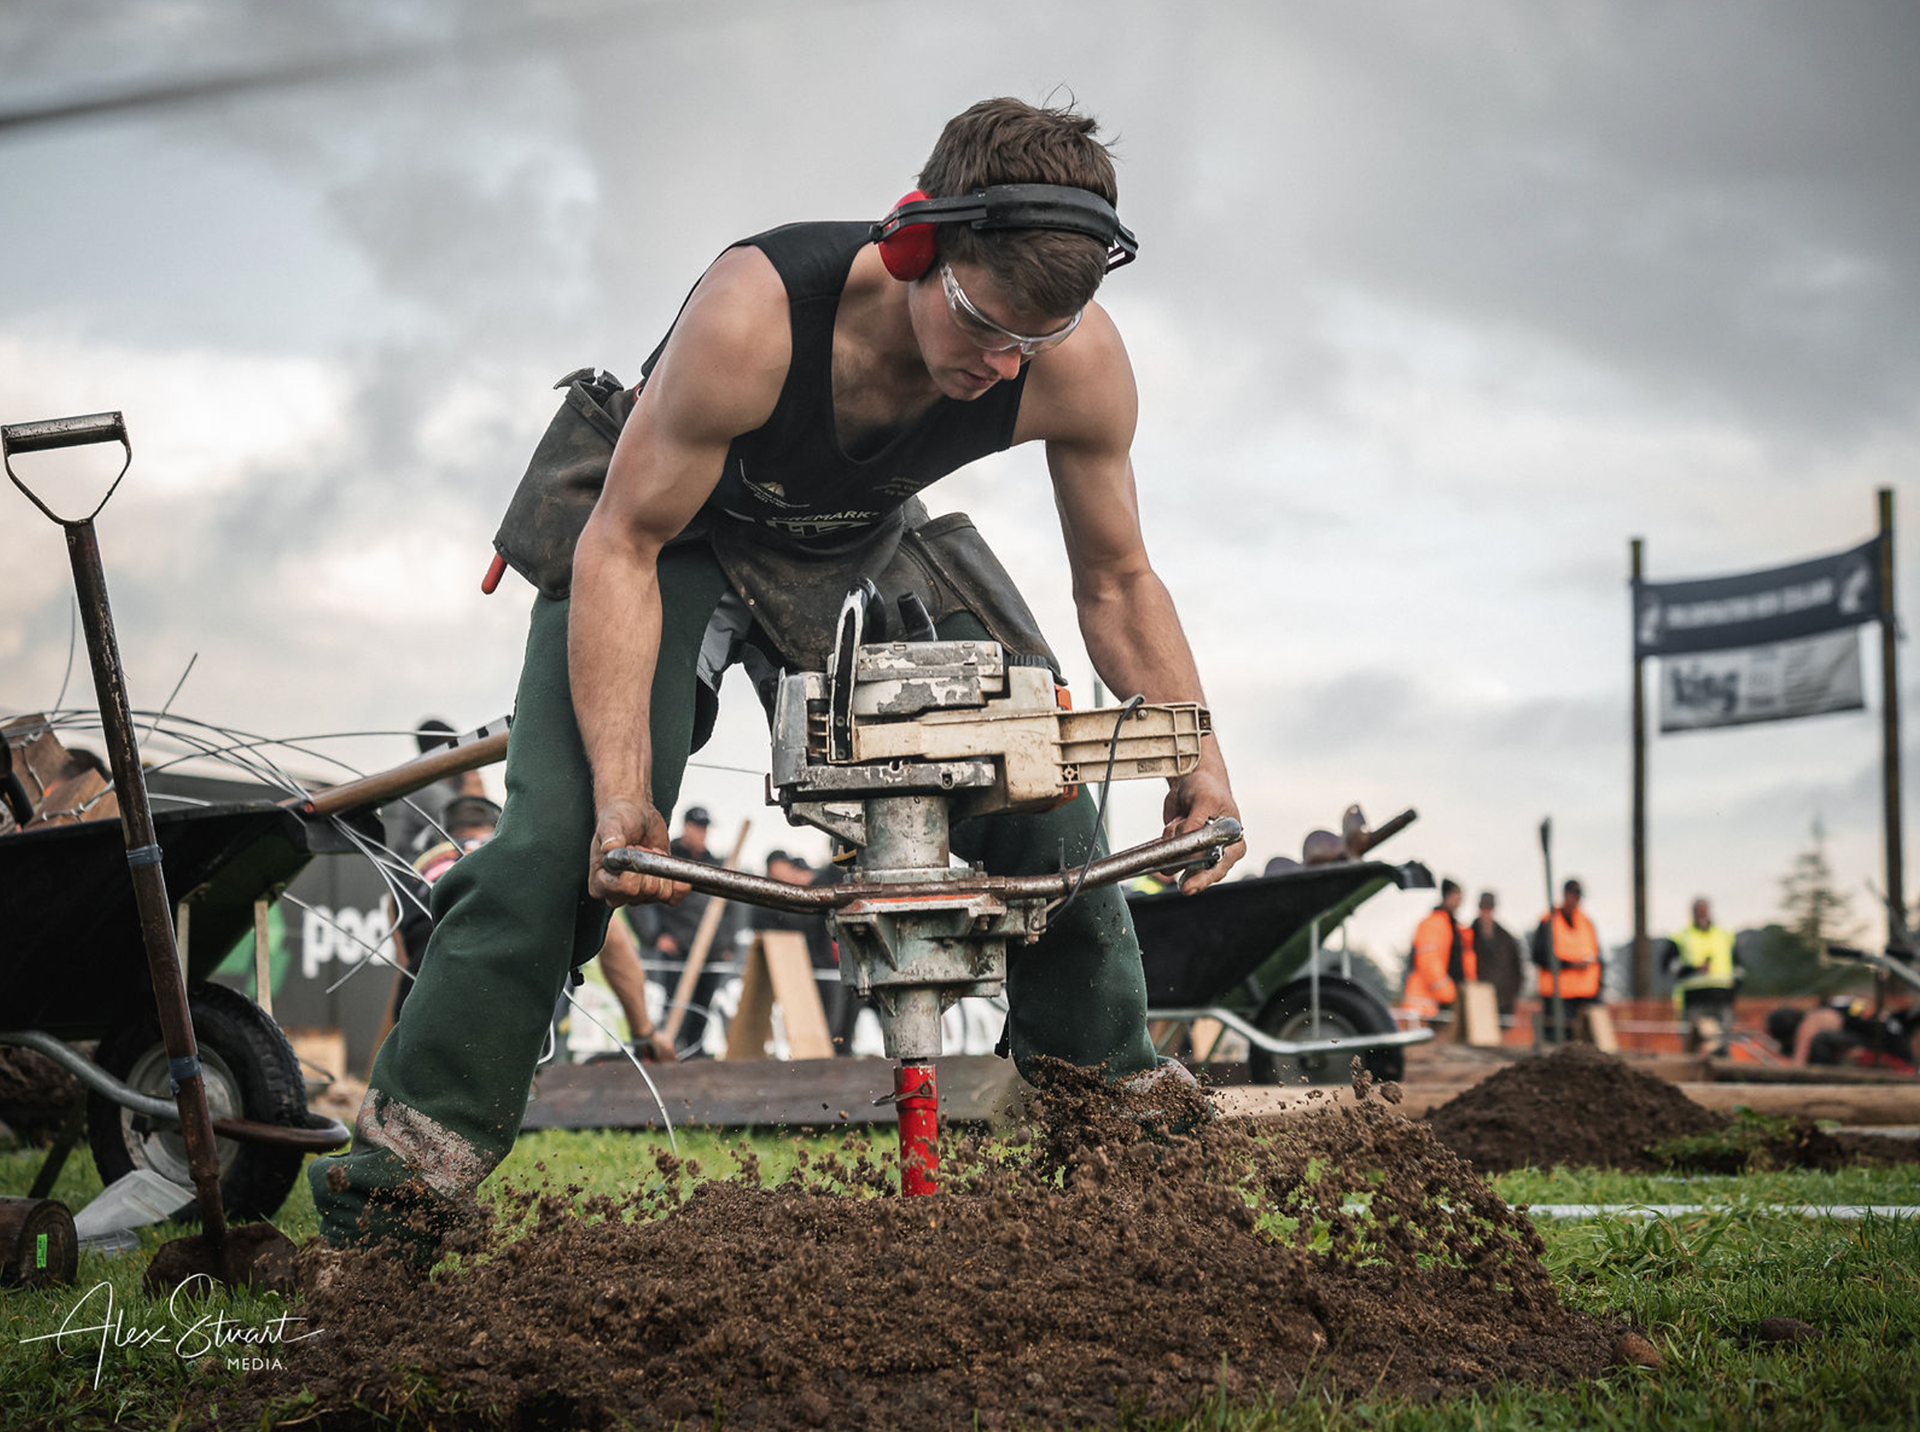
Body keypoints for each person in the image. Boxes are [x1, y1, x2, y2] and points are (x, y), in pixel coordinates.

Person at [311, 96, 1244, 1252]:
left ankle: (1124, 1148)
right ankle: (389, 1202)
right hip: (667, 542)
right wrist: (622, 794)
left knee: (1046, 792)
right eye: (981, 322)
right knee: (559, 858)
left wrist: (1198, 757)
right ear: (916, 243)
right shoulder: (757, 315)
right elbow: (620, 544)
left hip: (857, 543)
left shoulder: (1072, 362)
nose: (1003, 364)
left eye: (1033, 342)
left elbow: (1117, 580)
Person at [640, 805, 738, 1054]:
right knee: (674, 1006)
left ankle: (695, 1052)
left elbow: (730, 910)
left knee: (702, 1007)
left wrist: (727, 944)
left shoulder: (716, 863)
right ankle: (671, 1050)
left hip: (711, 952)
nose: (702, 833)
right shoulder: (666, 857)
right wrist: (655, 937)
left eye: (705, 828)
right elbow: (641, 903)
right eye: (698, 827)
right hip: (677, 949)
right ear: (687, 827)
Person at [1531, 878, 1603, 1042]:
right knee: (1557, 1041)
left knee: (1584, 1043)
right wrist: (1569, 965)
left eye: (1578, 895)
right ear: (1565, 894)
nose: (1576, 900)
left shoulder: (1586, 922)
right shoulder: (1548, 921)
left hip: (1585, 995)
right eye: (1573, 894)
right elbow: (1539, 956)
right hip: (1557, 995)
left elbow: (1597, 956)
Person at [1669, 896, 1737, 1054]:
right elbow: (1670, 966)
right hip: (1694, 998)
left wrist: (1734, 989)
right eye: (1699, 911)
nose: (1703, 914)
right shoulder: (1681, 936)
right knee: (1692, 1044)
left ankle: (1722, 1074)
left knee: (1722, 1042)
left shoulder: (1725, 935)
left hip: (1722, 996)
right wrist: (1693, 969)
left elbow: (1737, 967)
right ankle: (1690, 1075)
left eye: (1705, 911)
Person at [1403, 878, 1474, 1020]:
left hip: (1450, 996)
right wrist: (1446, 991)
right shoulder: (1433, 924)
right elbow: (1428, 962)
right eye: (1457, 898)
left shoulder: (1457, 928)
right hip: (1431, 999)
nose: (1459, 904)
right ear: (1447, 897)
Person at [1469, 890, 1525, 1018]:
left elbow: (1517, 968)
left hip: (1503, 1001)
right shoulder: (1468, 935)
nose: (1486, 913)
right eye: (1484, 908)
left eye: (1489, 908)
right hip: (1478, 999)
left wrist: (1512, 994)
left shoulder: (1507, 938)